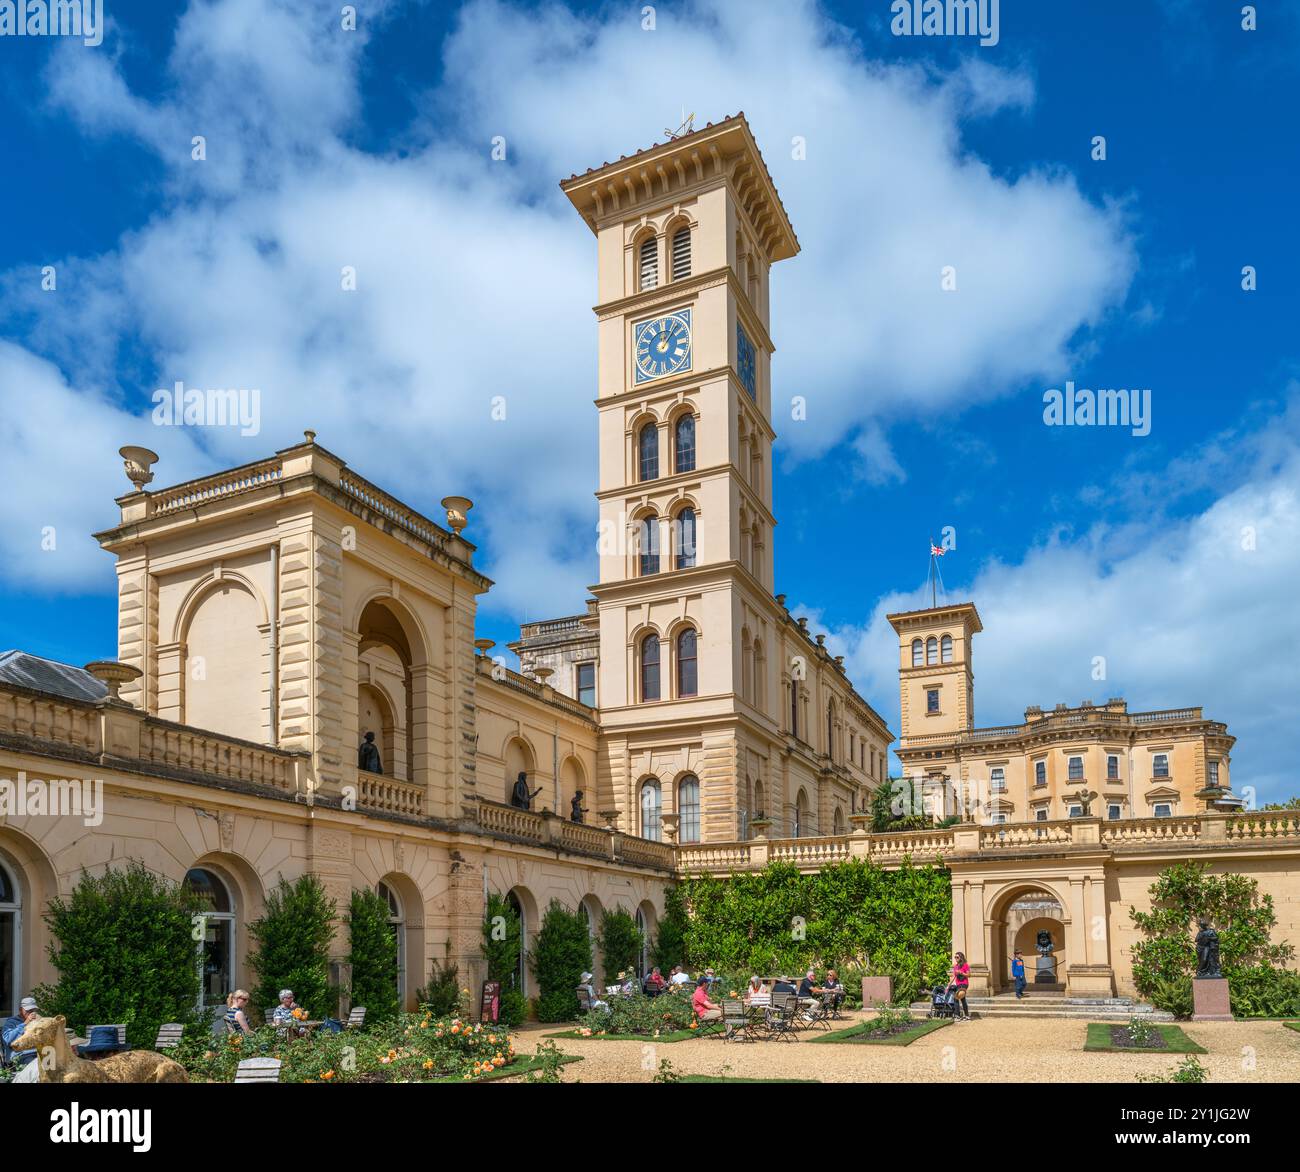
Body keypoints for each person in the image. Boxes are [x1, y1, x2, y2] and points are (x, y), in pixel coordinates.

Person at [1, 996, 40, 1068]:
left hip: (37, 1053)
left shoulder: (36, 1021)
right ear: (20, 1010)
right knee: (37, 1067)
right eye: (28, 1010)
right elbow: (7, 1040)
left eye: (33, 1010)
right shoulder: (11, 1022)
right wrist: (25, 1024)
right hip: (21, 1056)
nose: (31, 1013)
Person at [951, 952, 971, 1020]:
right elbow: (954, 977)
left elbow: (969, 975)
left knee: (956, 997)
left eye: (957, 957)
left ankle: (957, 1015)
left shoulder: (965, 965)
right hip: (958, 984)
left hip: (964, 984)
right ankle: (967, 1015)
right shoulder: (955, 967)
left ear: (961, 958)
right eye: (955, 957)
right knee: (962, 999)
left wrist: (961, 973)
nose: (956, 958)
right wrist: (948, 985)